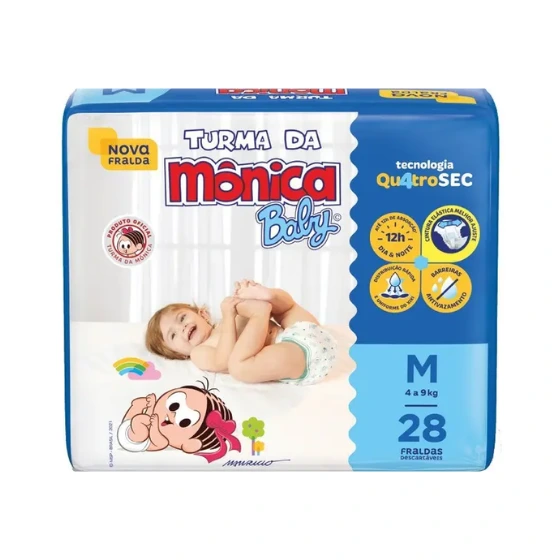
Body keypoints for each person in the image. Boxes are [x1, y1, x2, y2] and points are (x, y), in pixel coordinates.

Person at [145, 280, 336, 385]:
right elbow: (222, 361)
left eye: (182, 318)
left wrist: (244, 297)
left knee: (287, 308)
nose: (181, 328)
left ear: (202, 314)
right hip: (295, 356)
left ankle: (268, 295)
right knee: (237, 367)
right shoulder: (198, 352)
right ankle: (261, 311)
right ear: (179, 354)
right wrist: (229, 316)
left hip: (304, 332)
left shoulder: (230, 316)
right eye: (173, 335)